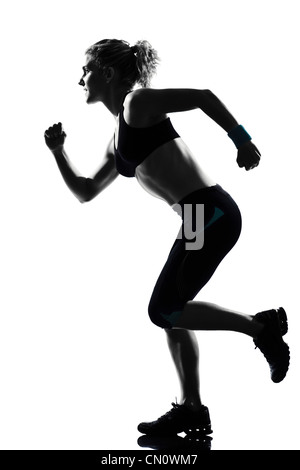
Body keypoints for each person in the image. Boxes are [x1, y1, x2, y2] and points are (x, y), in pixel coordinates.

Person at [44, 39, 290, 436]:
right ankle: (192, 407)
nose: (80, 80)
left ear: (106, 73)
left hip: (208, 211)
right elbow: (86, 190)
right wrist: (58, 152)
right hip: (196, 216)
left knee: (163, 309)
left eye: (85, 71)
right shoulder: (117, 138)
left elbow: (203, 97)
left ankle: (261, 328)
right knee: (172, 313)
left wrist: (241, 139)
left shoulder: (136, 104)